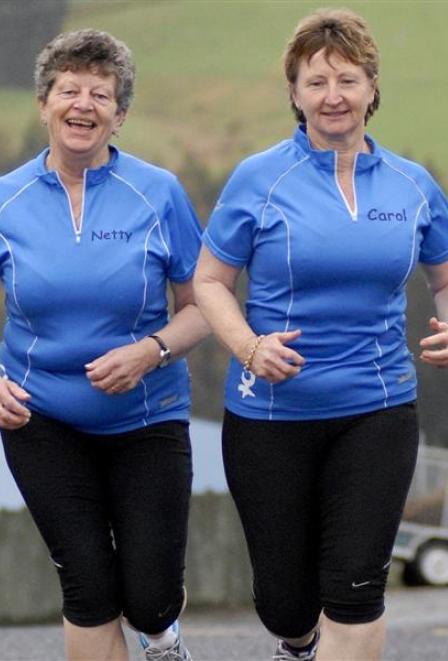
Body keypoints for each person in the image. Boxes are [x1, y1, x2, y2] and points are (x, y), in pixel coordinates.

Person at [194, 8, 448, 661]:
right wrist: (250, 345)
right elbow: (210, 282)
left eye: (347, 78)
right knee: (285, 603)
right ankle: (297, 643)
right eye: (316, 81)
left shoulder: (413, 186)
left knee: (358, 592)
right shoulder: (259, 178)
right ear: (295, 94)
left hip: (378, 407)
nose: (332, 95)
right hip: (271, 416)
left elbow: (444, 279)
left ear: (372, 87)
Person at [0, 29, 209, 661]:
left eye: (102, 93)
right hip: (42, 421)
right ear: (44, 103)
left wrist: (151, 351)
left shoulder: (159, 193)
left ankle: (162, 637)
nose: (83, 104)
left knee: (149, 597)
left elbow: (206, 307)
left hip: (148, 419)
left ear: (119, 116)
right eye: (69, 89)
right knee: (88, 587)